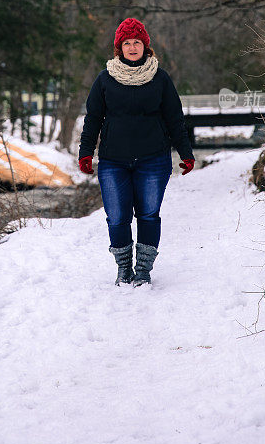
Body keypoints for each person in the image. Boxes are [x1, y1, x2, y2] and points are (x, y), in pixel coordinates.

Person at [78, 17, 195, 287]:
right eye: (127, 43)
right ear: (120, 47)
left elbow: (175, 118)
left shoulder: (160, 78)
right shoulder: (105, 79)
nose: (132, 47)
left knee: (148, 215)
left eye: (137, 42)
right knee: (117, 217)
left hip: (153, 159)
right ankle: (123, 269)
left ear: (146, 46)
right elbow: (93, 118)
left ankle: (143, 269)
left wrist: (186, 153)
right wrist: (86, 153)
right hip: (113, 161)